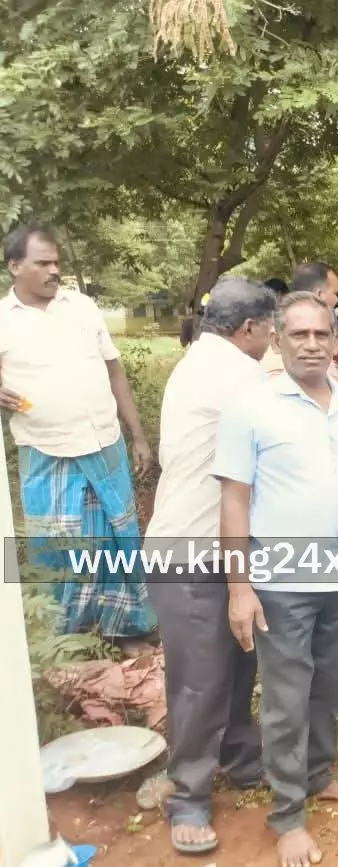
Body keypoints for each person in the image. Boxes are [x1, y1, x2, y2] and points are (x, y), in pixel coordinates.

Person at [214, 290, 338, 867]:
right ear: (277, 337)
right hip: (282, 581)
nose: (312, 345)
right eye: (299, 335)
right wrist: (239, 588)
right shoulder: (252, 406)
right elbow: (234, 501)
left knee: (327, 686)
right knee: (287, 698)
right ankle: (288, 815)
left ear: (334, 337)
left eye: (322, 334)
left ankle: (319, 775)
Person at [143, 277, 275, 855]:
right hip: (192, 549)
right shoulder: (238, 375)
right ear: (249, 329)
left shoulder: (201, 359)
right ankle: (190, 795)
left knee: (239, 655)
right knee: (200, 678)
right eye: (272, 328)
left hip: (216, 546)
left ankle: (242, 758)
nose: (273, 338)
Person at [0, 224, 156, 652]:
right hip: (46, 452)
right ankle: (66, 640)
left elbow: (114, 372)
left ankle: (125, 628)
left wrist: (138, 435)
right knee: (59, 545)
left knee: (114, 537)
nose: (54, 271)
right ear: (15, 267)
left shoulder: (83, 307)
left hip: (104, 445)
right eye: (43, 263)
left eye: (57, 262)